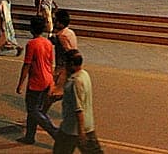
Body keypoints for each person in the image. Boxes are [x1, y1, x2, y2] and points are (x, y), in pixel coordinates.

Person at [16, 16, 58, 145]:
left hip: (36, 82)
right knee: (35, 109)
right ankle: (29, 136)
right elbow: (51, 64)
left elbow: (27, 65)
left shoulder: (32, 44)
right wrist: (52, 82)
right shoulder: (48, 43)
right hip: (47, 79)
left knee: (33, 110)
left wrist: (20, 84)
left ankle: (55, 133)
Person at [53, 50, 104, 154]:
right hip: (88, 125)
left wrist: (81, 132)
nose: (64, 66)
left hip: (72, 129)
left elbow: (78, 109)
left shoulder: (75, 81)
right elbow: (79, 97)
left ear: (71, 64)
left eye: (65, 63)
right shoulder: (84, 75)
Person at [44, 9, 78, 112]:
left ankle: (39, 117)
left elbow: (68, 51)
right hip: (68, 68)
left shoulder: (61, 36)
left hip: (62, 69)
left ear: (59, 23)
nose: (54, 22)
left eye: (55, 20)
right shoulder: (70, 32)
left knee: (50, 95)